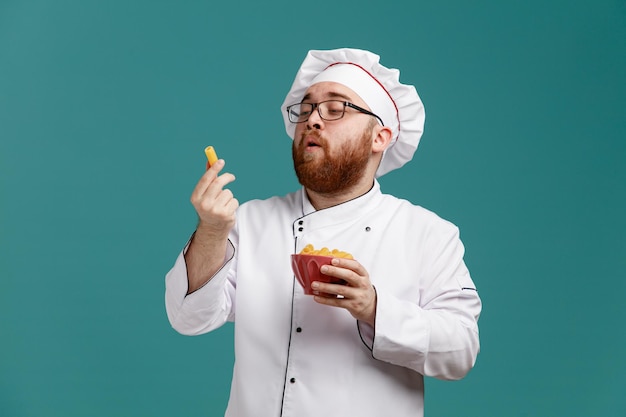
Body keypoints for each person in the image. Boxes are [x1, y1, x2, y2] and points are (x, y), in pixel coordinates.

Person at [165, 48, 481, 417]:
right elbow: (188, 318)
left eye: (336, 108)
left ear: (380, 136)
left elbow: (460, 352)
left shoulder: (427, 234)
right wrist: (212, 231)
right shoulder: (251, 222)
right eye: (306, 109)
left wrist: (374, 308)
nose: (313, 119)